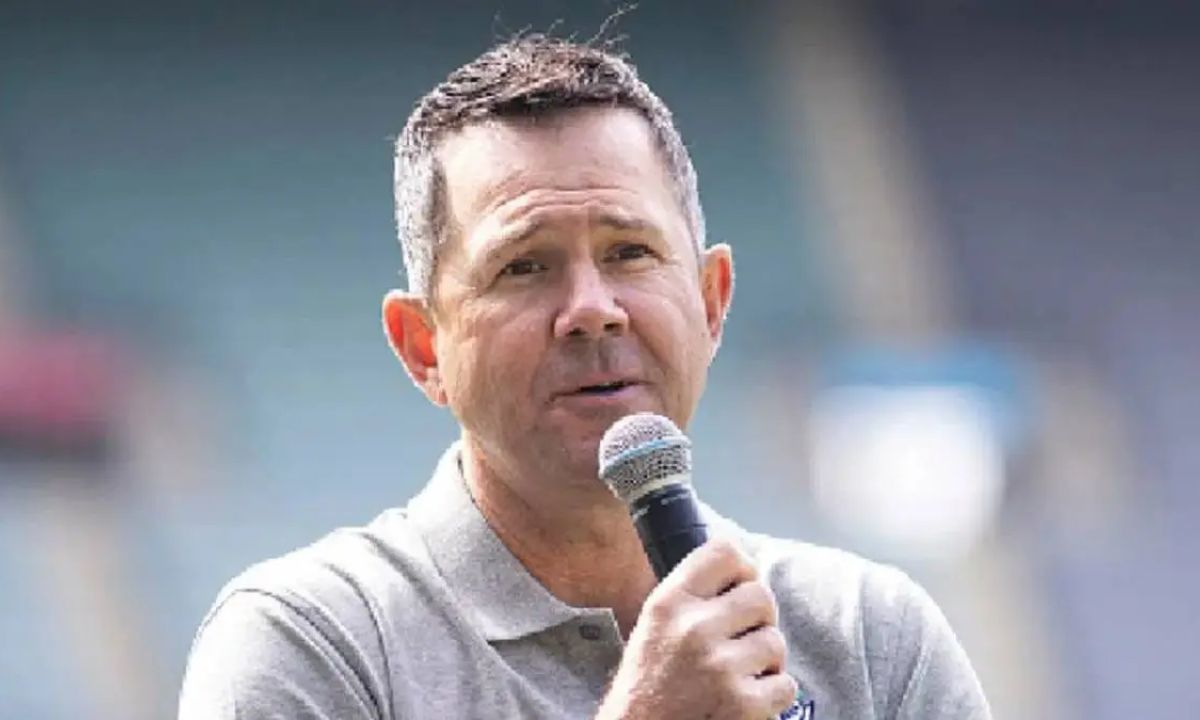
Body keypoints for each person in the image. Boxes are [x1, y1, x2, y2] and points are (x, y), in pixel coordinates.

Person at [178, 35, 991, 719]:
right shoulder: (310, 644)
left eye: (629, 252)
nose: (593, 311)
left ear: (711, 302)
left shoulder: (869, 637)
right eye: (524, 266)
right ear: (423, 346)